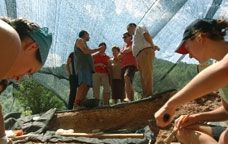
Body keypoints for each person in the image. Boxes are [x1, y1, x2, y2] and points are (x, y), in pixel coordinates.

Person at [154, 18, 228, 144]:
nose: (189, 55)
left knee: (225, 139)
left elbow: (224, 71)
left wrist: (170, 105)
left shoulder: (221, 70)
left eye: (188, 47)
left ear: (200, 38)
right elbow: (227, 111)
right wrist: (196, 117)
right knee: (182, 130)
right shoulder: (217, 65)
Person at [0, 17, 52, 143]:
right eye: (29, 71)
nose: (18, 79)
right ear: (31, 47)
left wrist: (2, 137)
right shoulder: (8, 37)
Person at [73, 30, 105, 109]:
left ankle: (81, 103)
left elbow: (89, 53)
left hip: (87, 68)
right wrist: (98, 49)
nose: (89, 37)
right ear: (85, 34)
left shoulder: (84, 43)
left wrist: (98, 51)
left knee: (87, 85)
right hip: (82, 67)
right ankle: (76, 104)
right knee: (83, 84)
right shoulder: (80, 40)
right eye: (88, 35)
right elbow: (85, 51)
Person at [127, 23, 159, 98]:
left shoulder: (139, 27)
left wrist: (152, 45)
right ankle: (145, 95)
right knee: (143, 76)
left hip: (144, 52)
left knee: (146, 74)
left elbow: (146, 35)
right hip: (139, 55)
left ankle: (149, 94)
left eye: (128, 29)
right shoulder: (135, 36)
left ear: (132, 26)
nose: (128, 32)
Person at [119, 32, 137, 102]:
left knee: (126, 77)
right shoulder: (123, 46)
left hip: (131, 65)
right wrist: (122, 53)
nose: (124, 38)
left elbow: (130, 49)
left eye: (125, 37)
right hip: (123, 66)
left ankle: (127, 97)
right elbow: (119, 56)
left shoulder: (133, 43)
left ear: (130, 37)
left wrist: (122, 52)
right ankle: (131, 100)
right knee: (128, 82)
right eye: (123, 37)